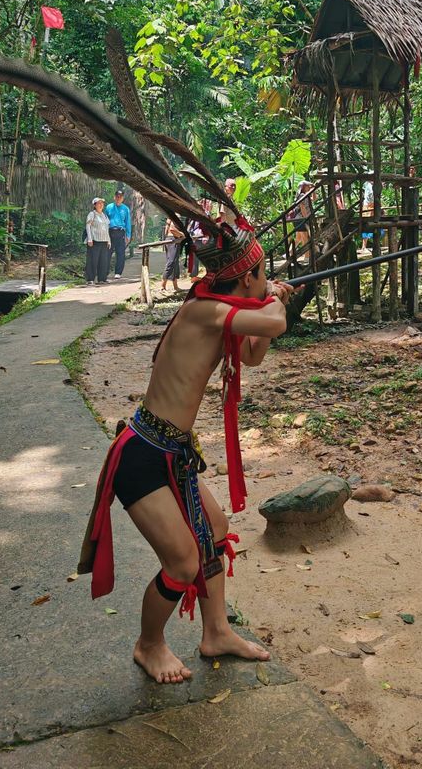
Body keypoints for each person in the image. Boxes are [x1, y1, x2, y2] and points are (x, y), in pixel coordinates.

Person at [78, 221, 296, 685]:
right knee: (181, 564)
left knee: (214, 528)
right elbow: (273, 321)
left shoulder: (221, 310)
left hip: (172, 451)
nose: (264, 281)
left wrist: (272, 296)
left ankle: (215, 632)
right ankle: (149, 644)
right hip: (143, 452)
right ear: (247, 278)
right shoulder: (205, 310)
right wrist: (275, 295)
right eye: (262, 273)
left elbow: (256, 351)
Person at [105, 188, 131, 279]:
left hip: (121, 232)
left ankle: (118, 272)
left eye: (120, 197)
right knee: (107, 253)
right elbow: (105, 220)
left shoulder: (125, 209)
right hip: (110, 232)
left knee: (120, 253)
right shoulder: (109, 207)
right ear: (114, 197)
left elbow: (128, 222)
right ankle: (105, 272)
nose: (118, 198)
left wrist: (128, 235)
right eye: (117, 196)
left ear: (123, 198)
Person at [85, 198, 110, 285]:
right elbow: (88, 226)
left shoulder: (104, 215)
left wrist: (108, 240)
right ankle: (90, 279)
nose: (100, 205)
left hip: (104, 241)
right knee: (92, 260)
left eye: (102, 203)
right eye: (98, 203)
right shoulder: (92, 214)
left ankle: (102, 278)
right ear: (94, 205)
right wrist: (89, 239)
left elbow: (106, 229)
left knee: (103, 260)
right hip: (94, 241)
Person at [161, 217, 185, 293]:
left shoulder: (174, 214)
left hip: (173, 240)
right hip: (172, 239)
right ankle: (162, 286)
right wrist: (182, 235)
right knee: (171, 262)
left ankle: (175, 286)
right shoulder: (175, 214)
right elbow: (172, 229)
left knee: (175, 263)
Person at [290, 181, 313, 251]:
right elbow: (302, 207)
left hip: (298, 220)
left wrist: (313, 190)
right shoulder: (302, 196)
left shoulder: (305, 195)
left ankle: (289, 253)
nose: (309, 187)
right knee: (305, 238)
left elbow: (314, 199)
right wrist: (306, 219)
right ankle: (306, 257)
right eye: (308, 186)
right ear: (304, 187)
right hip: (301, 219)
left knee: (298, 239)